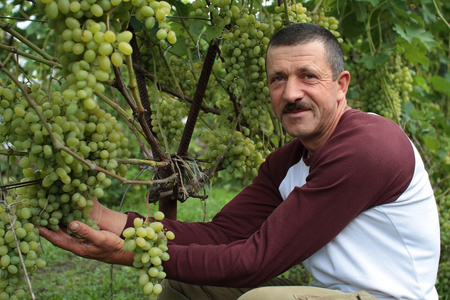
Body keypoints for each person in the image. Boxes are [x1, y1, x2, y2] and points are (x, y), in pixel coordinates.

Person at [39, 23, 441, 299]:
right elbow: (222, 235)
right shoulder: (289, 162)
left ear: (341, 85)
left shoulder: (368, 146)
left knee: (261, 297)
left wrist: (126, 253)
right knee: (185, 284)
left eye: (308, 76)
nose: (291, 93)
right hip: (335, 296)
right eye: (278, 79)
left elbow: (255, 261)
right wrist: (106, 219)